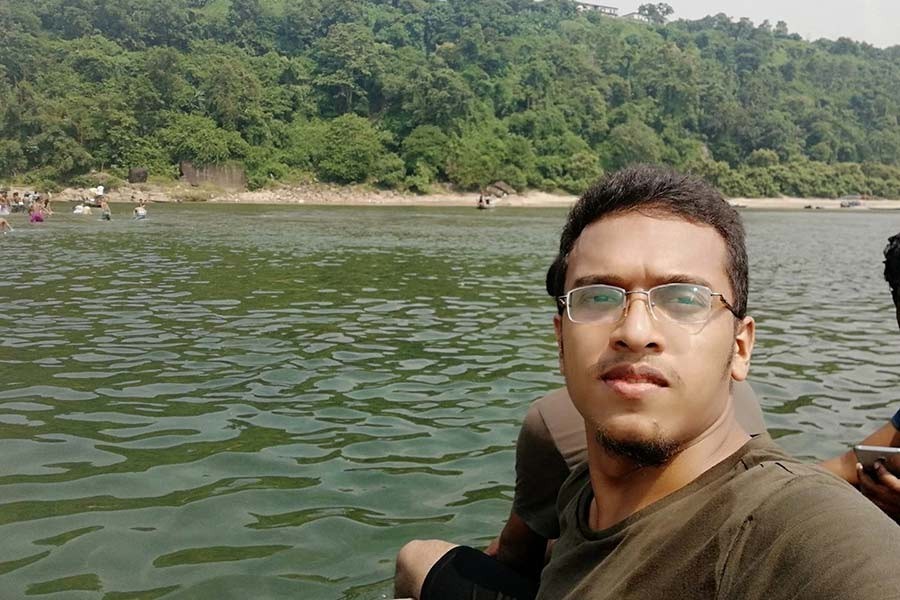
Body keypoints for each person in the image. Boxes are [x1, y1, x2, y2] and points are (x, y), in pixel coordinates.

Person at [395, 166, 900, 600]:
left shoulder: (793, 530)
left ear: (740, 347)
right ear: (561, 341)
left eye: (683, 299)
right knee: (416, 558)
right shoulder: (583, 491)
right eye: (598, 297)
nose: (635, 332)